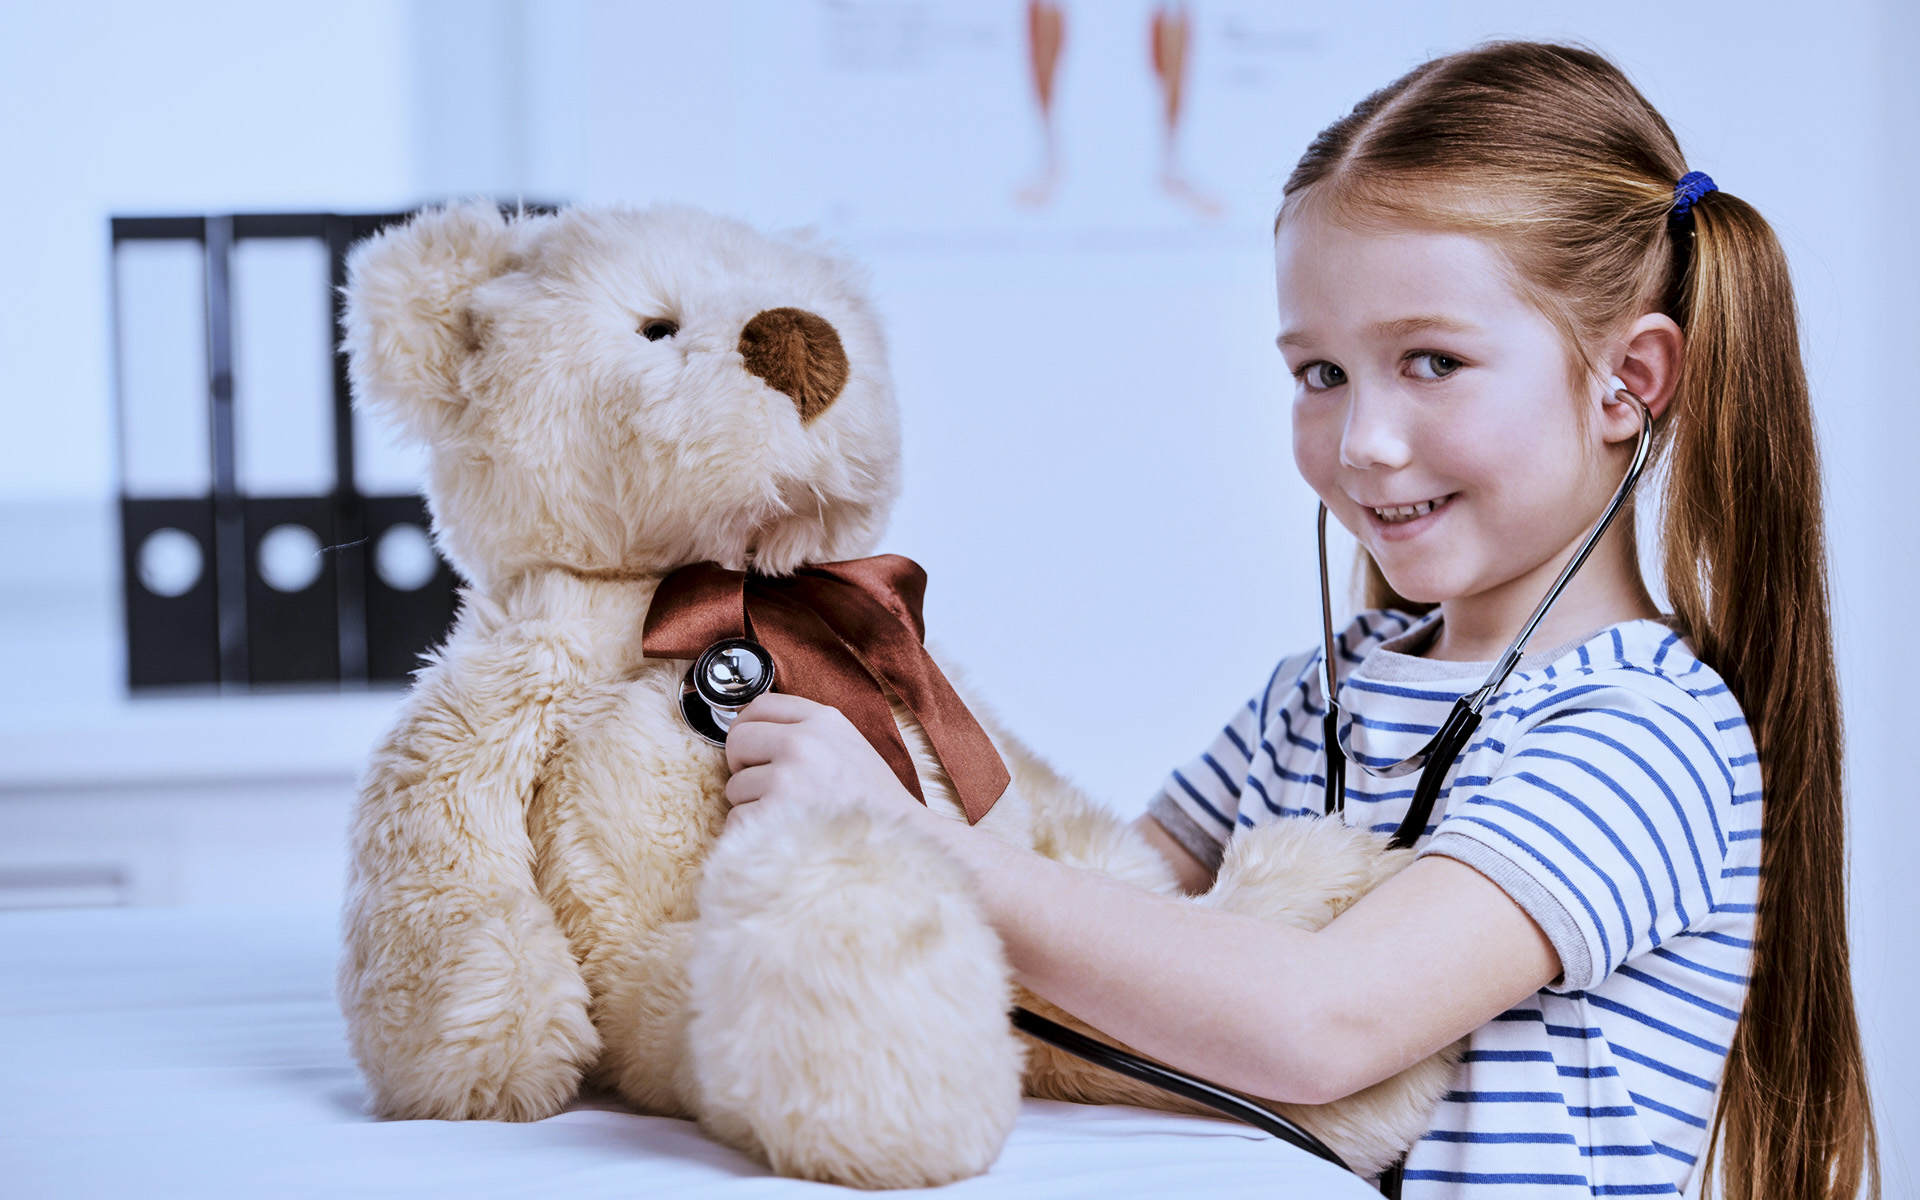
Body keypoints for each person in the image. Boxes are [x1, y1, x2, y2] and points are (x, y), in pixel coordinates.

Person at [717, 42, 1879, 1200]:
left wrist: (925, 844)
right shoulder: (1316, 694)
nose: (1364, 440)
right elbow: (1111, 926)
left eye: (1431, 360)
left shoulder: (1641, 734)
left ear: (1629, 379)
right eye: (1320, 373)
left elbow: (1321, 1022)